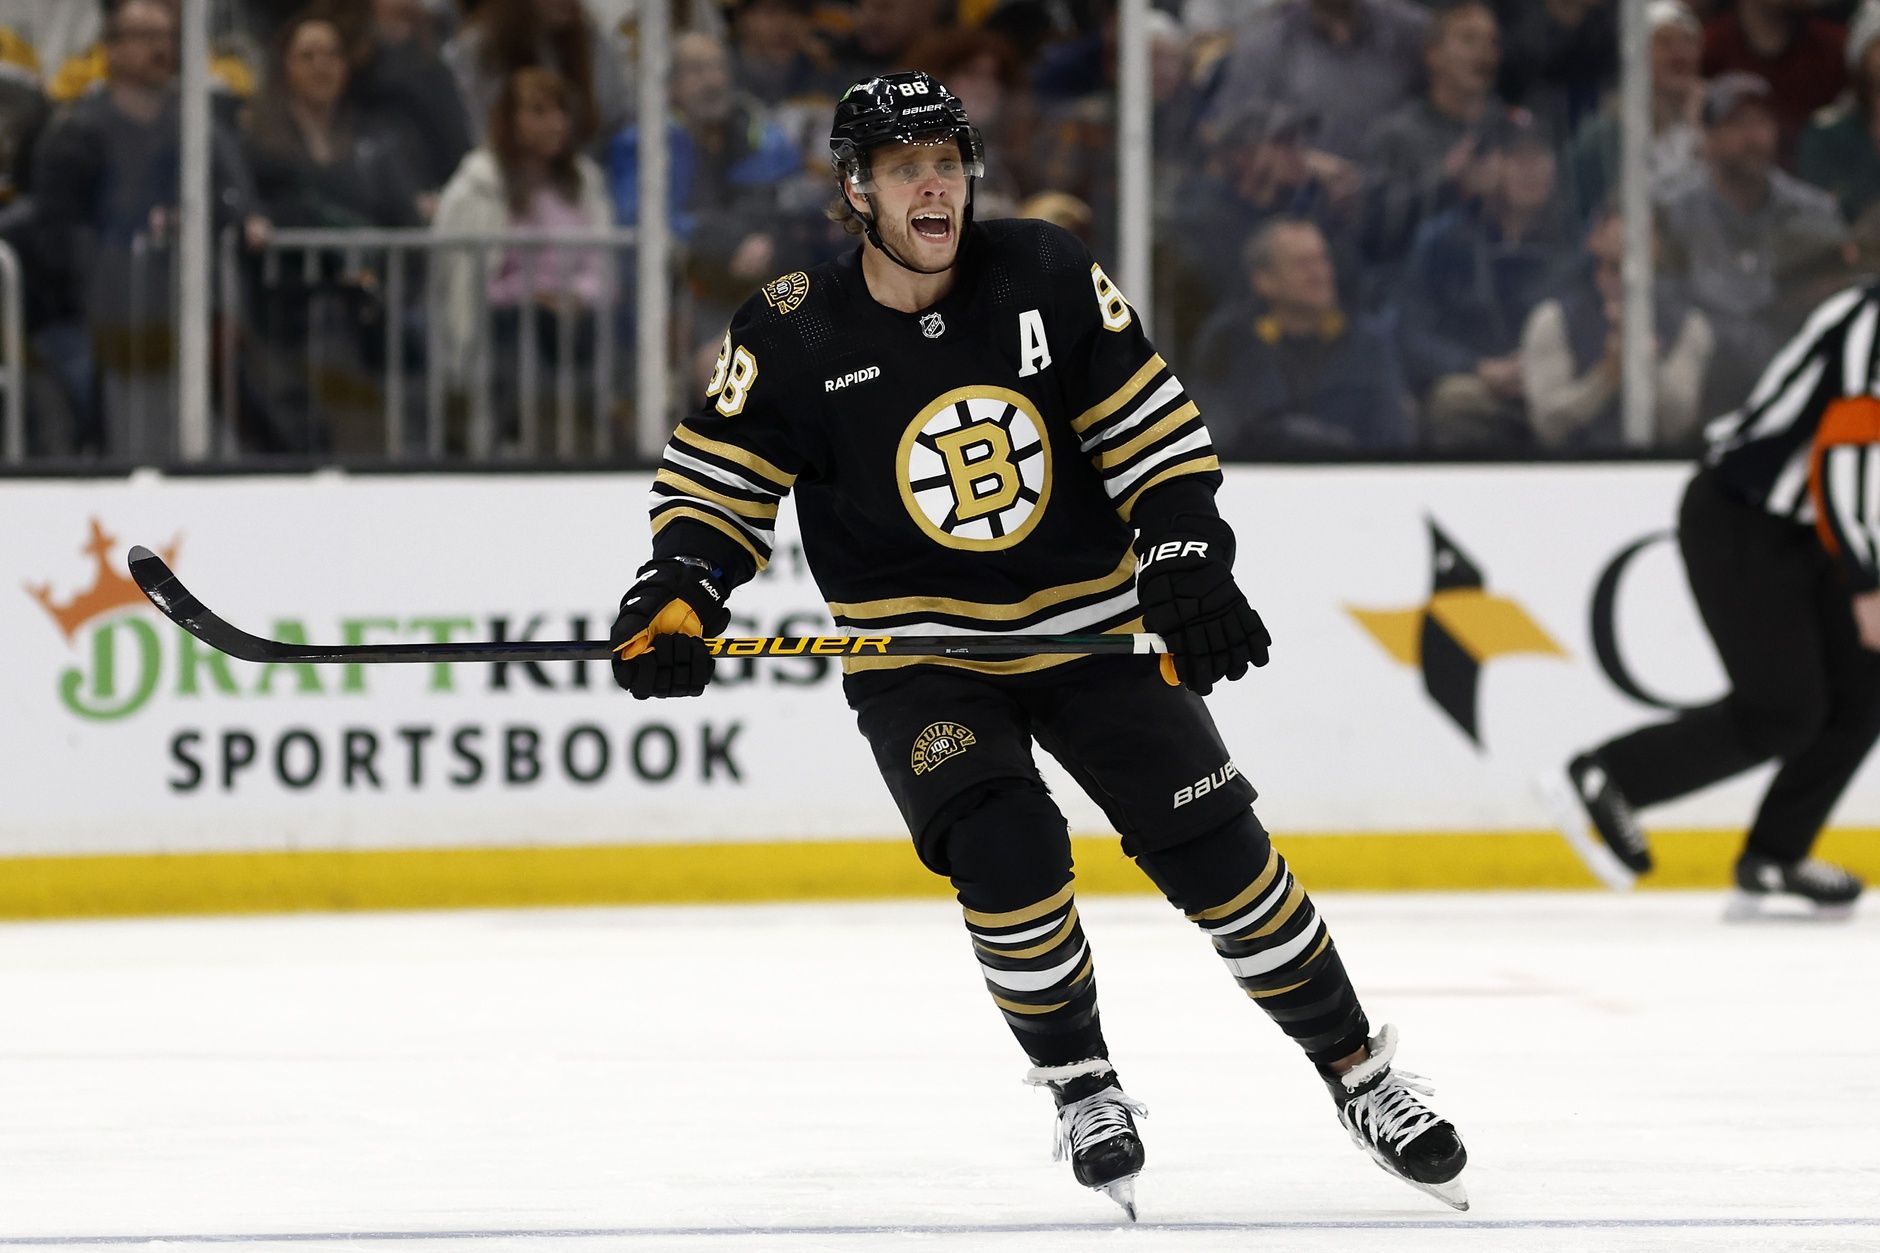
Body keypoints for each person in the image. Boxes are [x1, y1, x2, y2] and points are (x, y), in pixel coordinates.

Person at [605, 71, 1468, 1220]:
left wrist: (1182, 553)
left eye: (946, 159)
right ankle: (1081, 1084)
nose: (934, 183)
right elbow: (717, 488)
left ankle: (1360, 1075)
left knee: (1219, 859)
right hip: (920, 660)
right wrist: (679, 586)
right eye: (904, 165)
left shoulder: (1046, 272)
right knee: (1003, 849)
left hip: (1088, 635)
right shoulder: (793, 324)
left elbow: (1150, 433)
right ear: (855, 190)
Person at [1544, 280, 1880, 916]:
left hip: (1808, 532)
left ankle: (1776, 855)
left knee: (1862, 688)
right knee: (1783, 709)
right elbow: (1848, 451)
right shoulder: (1873, 321)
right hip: (1744, 518)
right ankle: (1610, 775)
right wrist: (1866, 583)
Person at [434, 66, 614, 456]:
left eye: (560, 112)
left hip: (577, 314)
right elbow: (462, 274)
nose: (555, 124)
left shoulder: (584, 182)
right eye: (539, 112)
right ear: (509, 119)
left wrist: (576, 296)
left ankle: (597, 437)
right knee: (519, 329)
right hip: (503, 319)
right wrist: (532, 293)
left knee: (613, 329)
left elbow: (602, 263)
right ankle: (509, 439)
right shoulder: (476, 186)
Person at [1657, 72, 1845, 415]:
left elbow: (1832, 303)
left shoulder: (1814, 213)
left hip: (1800, 390)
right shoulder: (1674, 215)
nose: (1753, 136)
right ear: (1709, 137)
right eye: (1738, 123)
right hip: (1705, 394)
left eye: (1762, 122)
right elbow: (1667, 305)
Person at [1191, 217, 1411, 455]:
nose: (1318, 273)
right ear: (1263, 280)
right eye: (1302, 263)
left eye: (1322, 259)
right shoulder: (1230, 343)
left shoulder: (1368, 343)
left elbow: (1392, 434)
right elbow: (1213, 428)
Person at [1519, 205, 1714, 451]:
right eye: (1613, 266)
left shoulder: (1689, 324)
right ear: (1594, 239)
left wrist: (1647, 362)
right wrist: (1606, 376)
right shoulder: (1553, 319)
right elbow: (1547, 425)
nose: (1630, 237)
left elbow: (1678, 425)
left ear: (1658, 248)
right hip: (1571, 470)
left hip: (1658, 470)